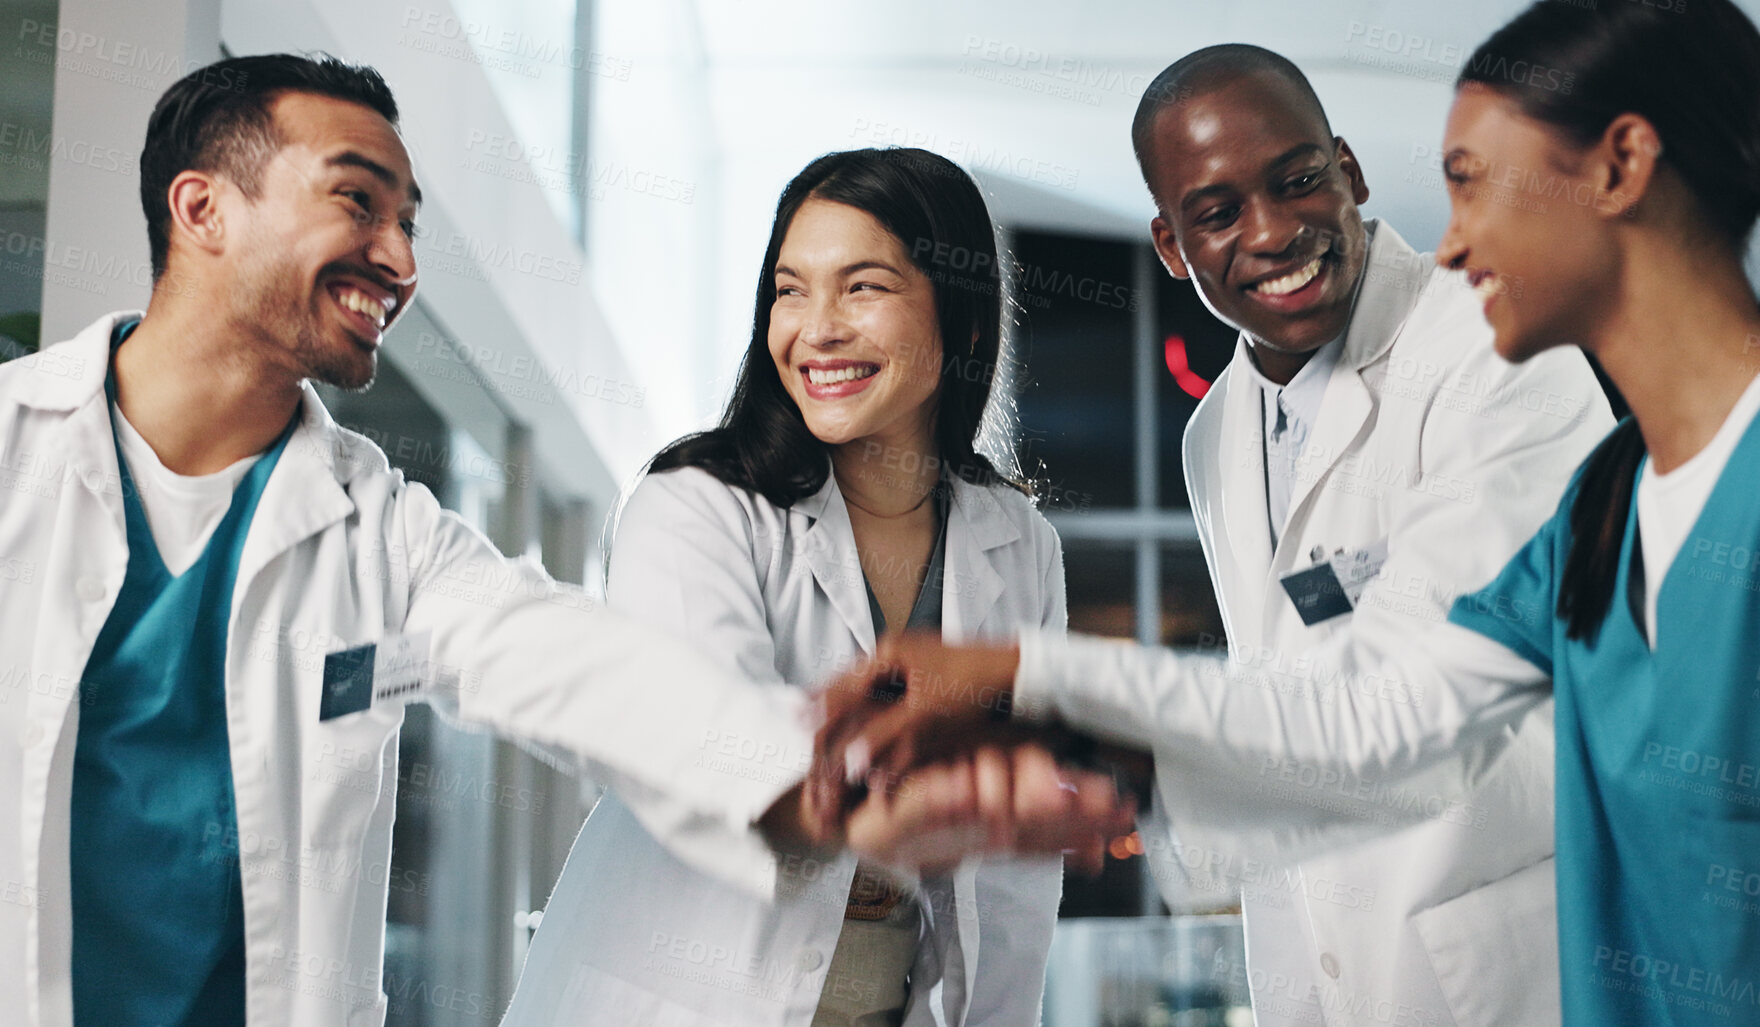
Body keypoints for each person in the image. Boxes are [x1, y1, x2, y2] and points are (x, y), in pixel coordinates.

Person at [818, 2, 1760, 1023]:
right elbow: (1386, 716)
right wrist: (1072, 735)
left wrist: (1045, 690)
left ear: (1621, 171)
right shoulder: (1610, 503)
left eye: (1474, 184)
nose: (1449, 241)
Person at [0, 55, 1125, 1027]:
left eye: (409, 222)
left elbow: (598, 680)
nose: (399, 259)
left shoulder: (381, 535)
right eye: (358, 204)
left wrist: (827, 787)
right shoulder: (16, 456)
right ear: (202, 210)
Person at [502, 147, 1107, 1027]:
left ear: (964, 322)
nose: (815, 328)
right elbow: (711, 749)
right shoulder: (694, 508)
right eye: (790, 289)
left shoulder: (1017, 543)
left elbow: (1012, 880)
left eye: (862, 287)